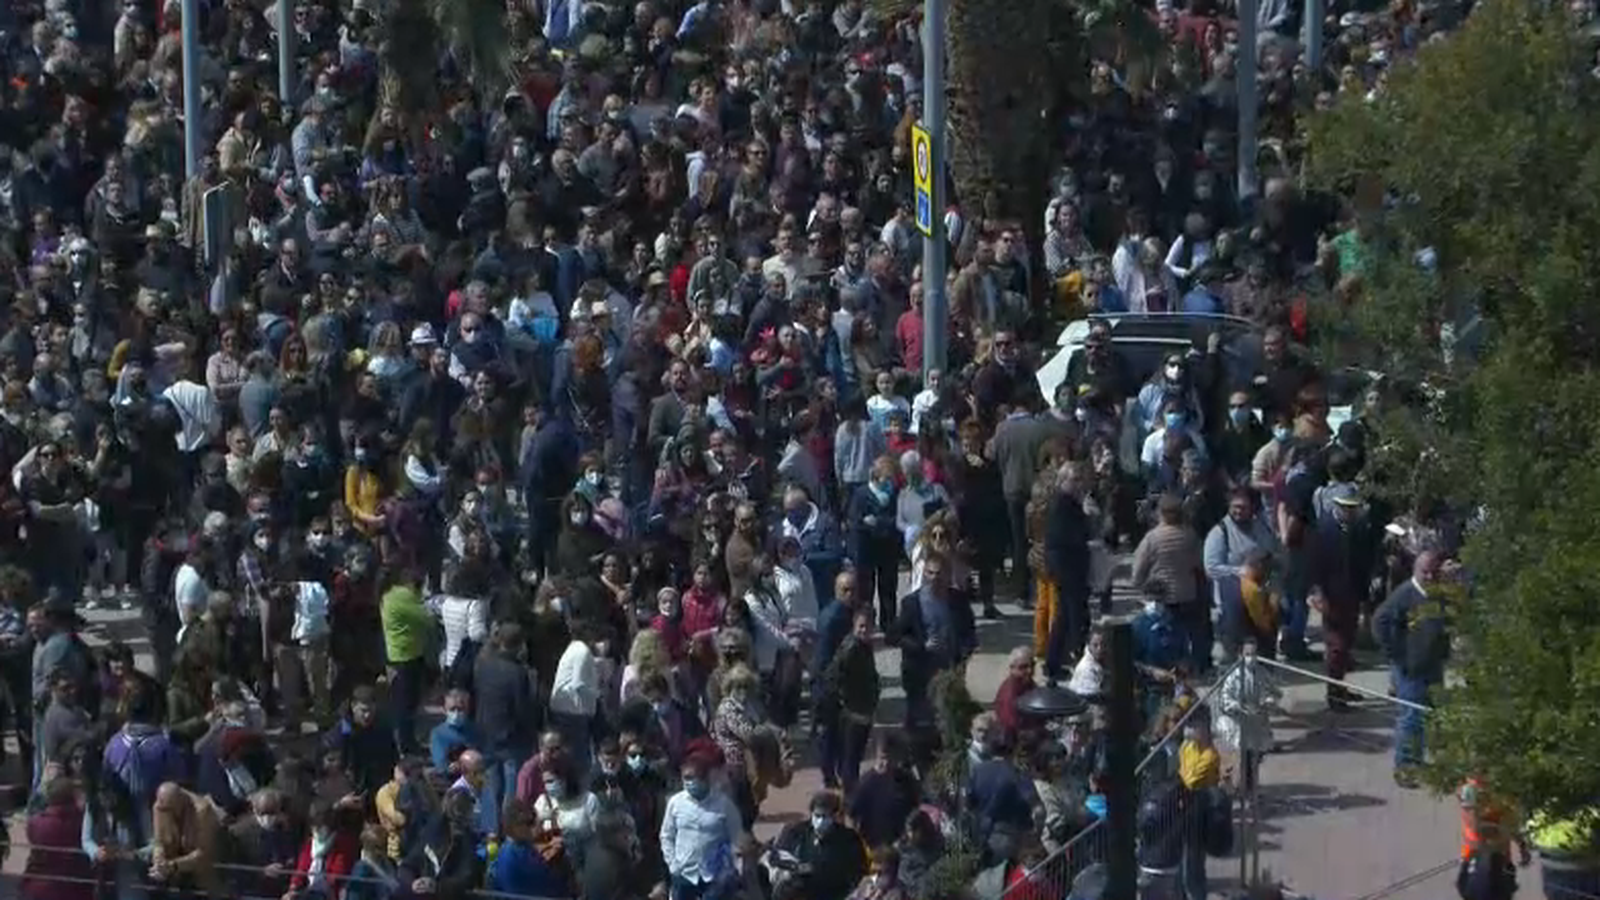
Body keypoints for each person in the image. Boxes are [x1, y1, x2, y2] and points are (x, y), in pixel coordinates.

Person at [1372, 550, 1448, 787]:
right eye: (1424, 572)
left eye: (1433, 572)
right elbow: (1379, 622)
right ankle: (1404, 767)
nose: (1429, 576)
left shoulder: (1436, 594)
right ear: (1416, 570)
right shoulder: (1404, 595)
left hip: (1432, 665)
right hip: (1410, 669)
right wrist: (1397, 655)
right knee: (1410, 718)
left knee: (1426, 717)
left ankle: (1416, 761)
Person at [661, 754, 746, 900]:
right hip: (684, 874)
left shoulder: (724, 804)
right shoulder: (675, 803)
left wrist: (734, 868)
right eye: (686, 778)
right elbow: (667, 835)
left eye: (695, 778)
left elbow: (737, 838)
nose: (690, 783)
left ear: (706, 778)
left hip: (715, 876)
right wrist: (673, 864)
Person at [770, 791, 868, 900]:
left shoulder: (849, 839)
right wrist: (796, 868)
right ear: (811, 813)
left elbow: (860, 871)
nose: (820, 821)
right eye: (817, 816)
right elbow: (776, 856)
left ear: (835, 816)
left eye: (826, 817)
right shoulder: (795, 832)